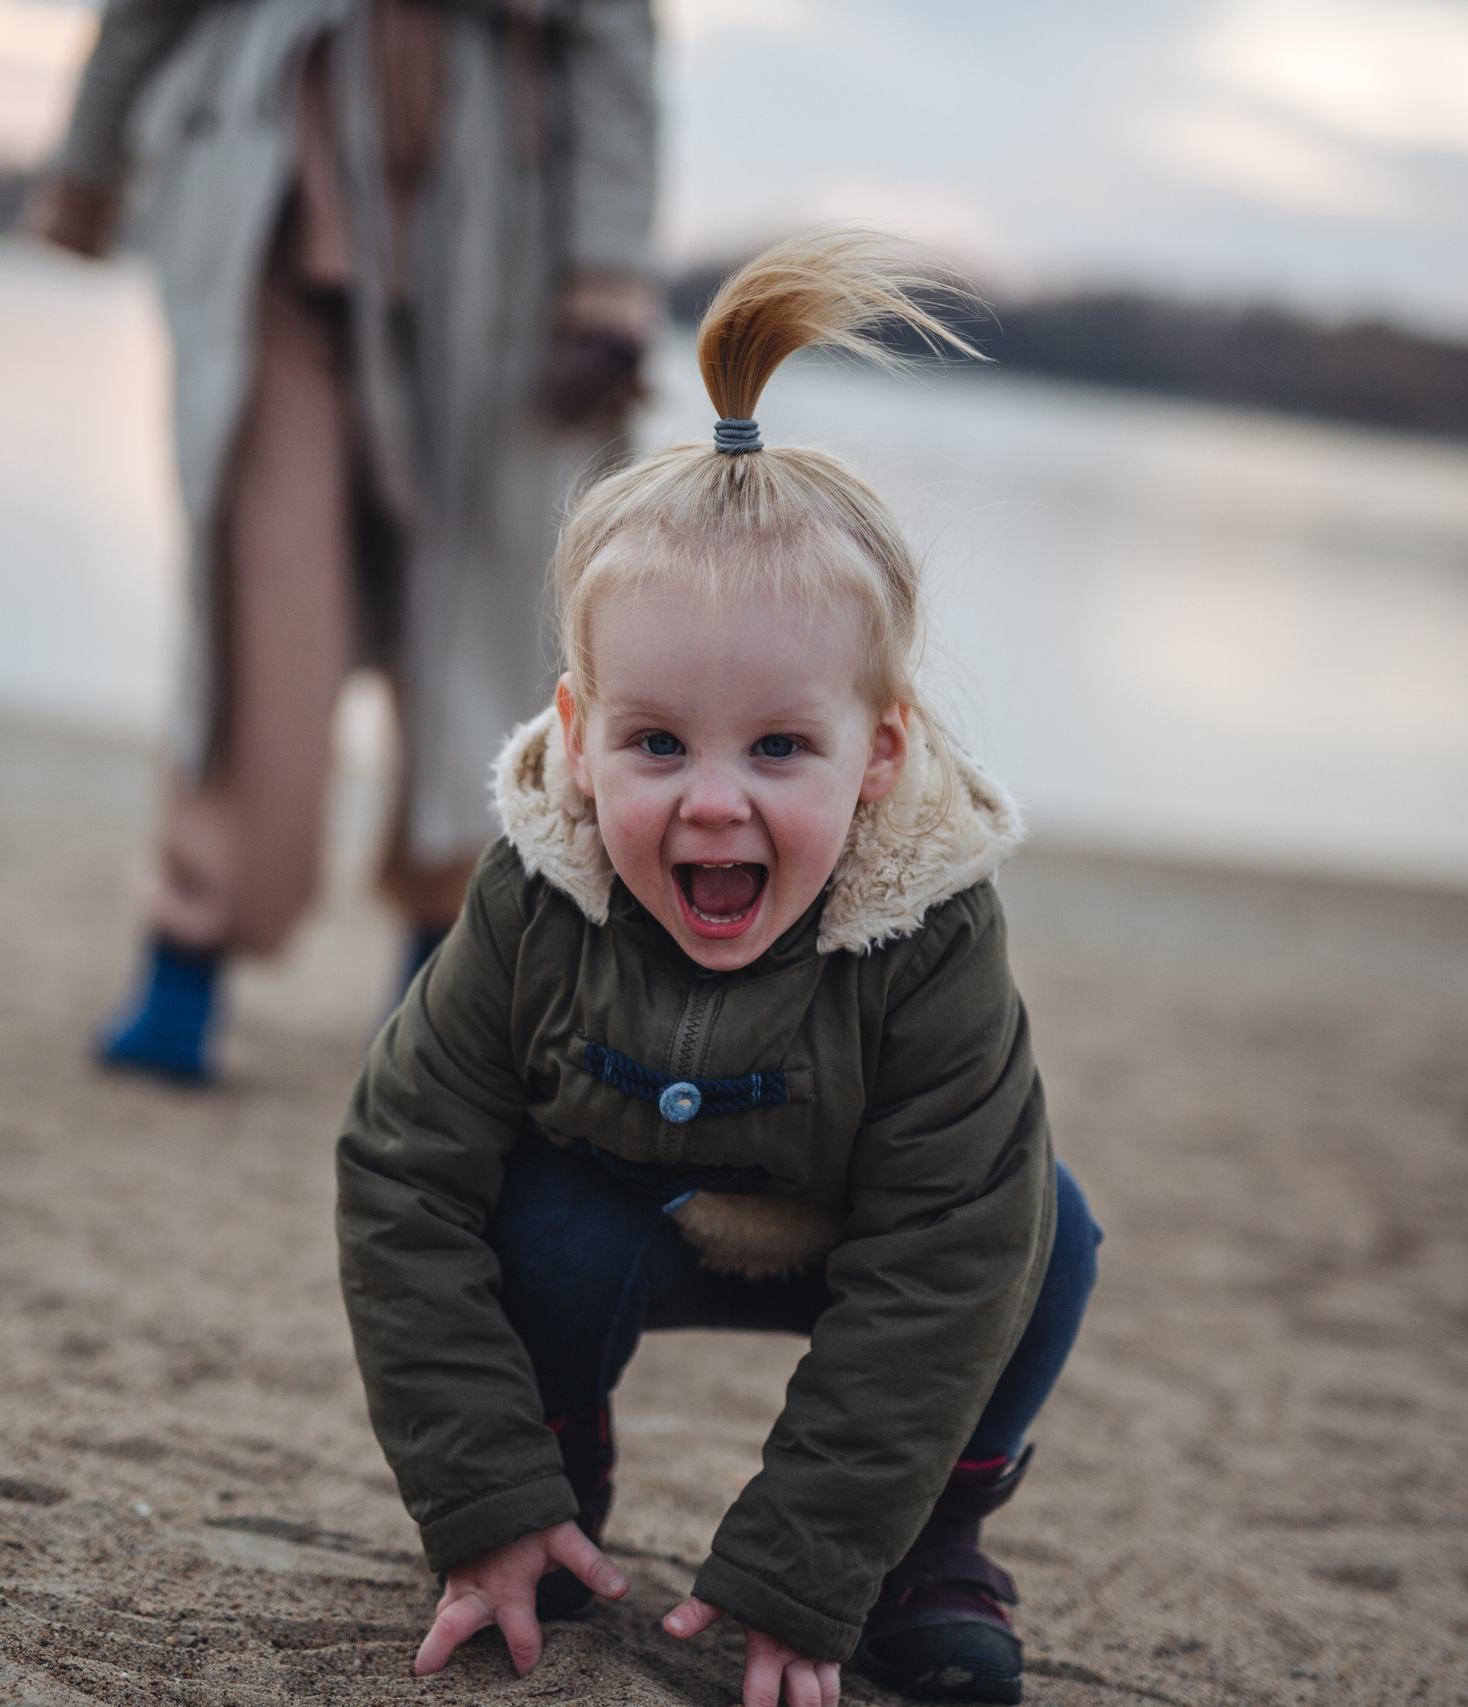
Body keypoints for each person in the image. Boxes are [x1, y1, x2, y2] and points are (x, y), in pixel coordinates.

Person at [336, 231, 1104, 1707]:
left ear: (878, 750)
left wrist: (809, 1568)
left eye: (779, 746)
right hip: (619, 1212)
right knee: (523, 1210)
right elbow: (400, 1167)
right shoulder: (538, 887)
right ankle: (548, 1476)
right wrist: (479, 1495)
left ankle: (927, 1545)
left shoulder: (929, 927)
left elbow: (948, 1245)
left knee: (1039, 1229)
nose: (711, 799)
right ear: (577, 728)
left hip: (859, 1223)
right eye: (656, 741)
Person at [34, 0, 659, 1080]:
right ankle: (187, 946)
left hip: (501, 240)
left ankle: (451, 979)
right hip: (265, 207)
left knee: (489, 613)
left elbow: (613, 45)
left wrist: (605, 275)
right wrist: (86, 167)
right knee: (258, 589)